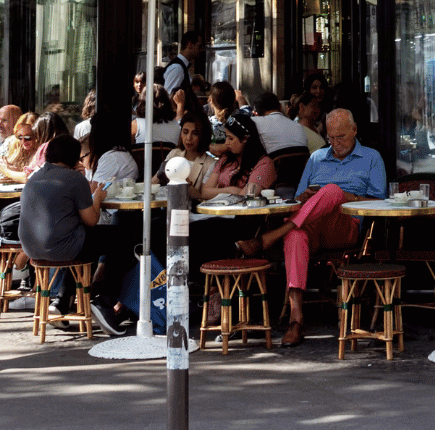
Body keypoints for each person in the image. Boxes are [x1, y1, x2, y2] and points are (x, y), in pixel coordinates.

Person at [236, 109, 384, 347]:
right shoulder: (316, 158)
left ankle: (269, 238)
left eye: (341, 137)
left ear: (354, 130)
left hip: (346, 226)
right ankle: (296, 320)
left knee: (332, 190)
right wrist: (305, 197)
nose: (335, 144)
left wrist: (347, 196)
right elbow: (297, 201)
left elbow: (381, 203)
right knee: (295, 235)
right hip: (313, 224)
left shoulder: (372, 157)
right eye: (331, 138)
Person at [18, 133, 134, 336]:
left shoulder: (34, 177)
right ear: (73, 158)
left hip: (32, 248)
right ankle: (104, 302)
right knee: (123, 239)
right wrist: (97, 196)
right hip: (61, 247)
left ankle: (62, 302)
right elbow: (91, 219)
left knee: (80, 244)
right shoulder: (74, 178)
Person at [195, 112, 275, 200]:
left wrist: (217, 192)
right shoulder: (226, 159)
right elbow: (205, 192)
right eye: (226, 137)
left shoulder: (263, 164)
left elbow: (245, 196)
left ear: (244, 139)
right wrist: (229, 190)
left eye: (231, 138)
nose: (226, 142)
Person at [164, 112, 217, 192]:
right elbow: (154, 182)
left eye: (195, 134)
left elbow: (202, 196)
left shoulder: (209, 164)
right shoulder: (174, 154)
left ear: (203, 136)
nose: (188, 138)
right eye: (185, 132)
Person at [163, 33, 202, 100]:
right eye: (199, 46)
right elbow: (169, 97)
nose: (201, 50)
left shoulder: (181, 67)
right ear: (190, 45)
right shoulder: (177, 68)